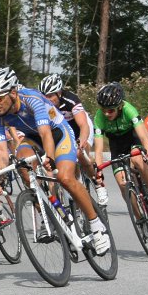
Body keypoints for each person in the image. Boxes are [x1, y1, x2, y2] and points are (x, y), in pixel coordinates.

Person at [0, 67, 110, 254]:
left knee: (65, 178)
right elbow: (1, 151)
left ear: (13, 93)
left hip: (58, 133)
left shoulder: (32, 99)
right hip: (33, 137)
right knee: (22, 164)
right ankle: (50, 213)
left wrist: (49, 157)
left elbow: (46, 133)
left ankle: (97, 226)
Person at [92, 82, 148, 217]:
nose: (106, 113)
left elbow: (143, 137)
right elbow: (98, 149)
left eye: (111, 110)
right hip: (116, 144)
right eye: (103, 109)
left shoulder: (129, 109)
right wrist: (99, 171)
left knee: (137, 159)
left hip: (133, 138)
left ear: (120, 106)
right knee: (122, 183)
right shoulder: (99, 117)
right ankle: (139, 218)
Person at [39, 73, 107, 205]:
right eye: (44, 96)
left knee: (80, 153)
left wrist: (80, 142)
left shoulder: (71, 100)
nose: (47, 99)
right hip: (63, 132)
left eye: (51, 95)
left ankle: (97, 182)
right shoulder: (44, 106)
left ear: (59, 92)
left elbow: (83, 126)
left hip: (79, 128)